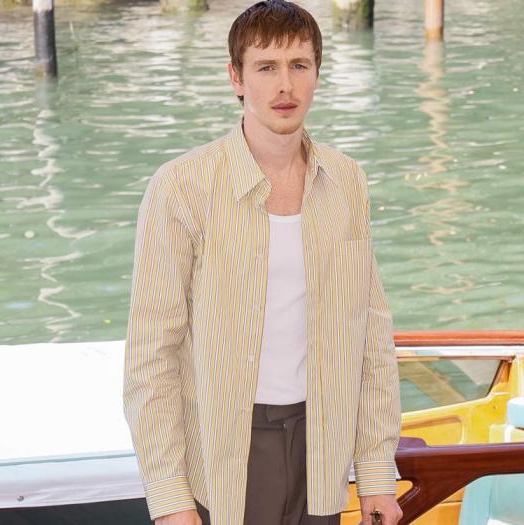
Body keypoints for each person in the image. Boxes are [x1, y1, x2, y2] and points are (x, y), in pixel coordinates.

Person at [123, 1, 402, 524]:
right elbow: (151, 357)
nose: (285, 87)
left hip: (323, 446)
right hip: (227, 452)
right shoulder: (181, 188)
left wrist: (376, 475)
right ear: (236, 77)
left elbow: (371, 336)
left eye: (299, 66)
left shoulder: (346, 182)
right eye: (266, 67)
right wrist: (170, 499)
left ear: (318, 73)